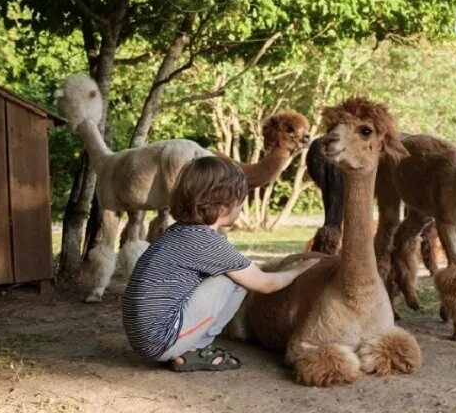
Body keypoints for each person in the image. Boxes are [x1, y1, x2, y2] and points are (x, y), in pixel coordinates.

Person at [121, 155, 317, 372]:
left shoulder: (176, 233)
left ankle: (184, 346)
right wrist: (299, 269)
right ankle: (195, 347)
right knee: (236, 279)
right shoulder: (206, 242)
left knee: (235, 271)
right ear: (224, 206)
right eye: (241, 201)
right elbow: (264, 284)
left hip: (143, 336)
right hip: (160, 340)